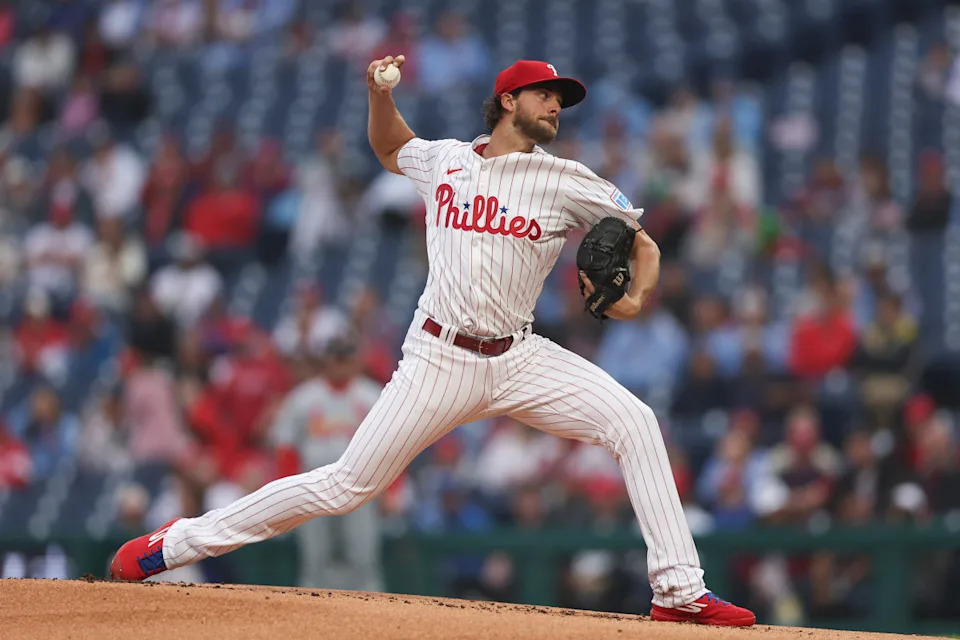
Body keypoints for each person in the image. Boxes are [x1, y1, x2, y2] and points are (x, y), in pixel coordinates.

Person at [109, 55, 755, 627]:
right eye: (546, 94)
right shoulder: (446, 159)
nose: (557, 105)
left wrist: (638, 296)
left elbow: (641, 240)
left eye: (561, 99)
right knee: (344, 486)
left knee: (636, 422)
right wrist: (379, 96)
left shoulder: (566, 179)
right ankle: (178, 544)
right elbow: (392, 150)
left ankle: (679, 590)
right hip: (439, 357)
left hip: (520, 356)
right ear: (508, 101)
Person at [270, 331, 384, 591]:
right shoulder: (303, 398)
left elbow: (393, 445)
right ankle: (311, 622)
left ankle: (373, 622)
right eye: (336, 357)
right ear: (326, 360)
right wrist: (287, 491)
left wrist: (393, 489)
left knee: (363, 559)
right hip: (313, 489)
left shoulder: (373, 396)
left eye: (346, 357)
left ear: (355, 360)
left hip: (361, 489)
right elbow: (286, 447)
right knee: (314, 559)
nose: (341, 363)